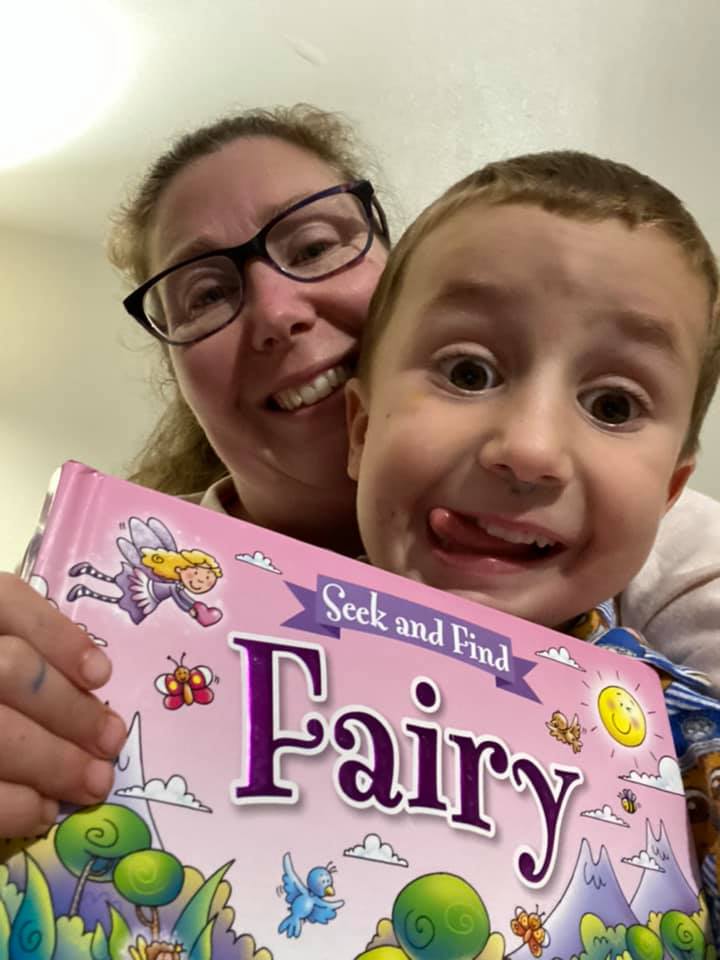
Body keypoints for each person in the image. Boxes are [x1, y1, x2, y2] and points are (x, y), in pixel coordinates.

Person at [0, 105, 718, 841]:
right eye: (206, 294)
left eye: (313, 246)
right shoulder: (121, 591)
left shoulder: (654, 548)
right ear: (361, 426)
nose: (276, 313)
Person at [343, 149, 720, 935]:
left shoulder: (694, 750)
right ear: (361, 431)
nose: (530, 448)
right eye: (469, 372)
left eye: (613, 406)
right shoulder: (199, 643)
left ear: (669, 493)